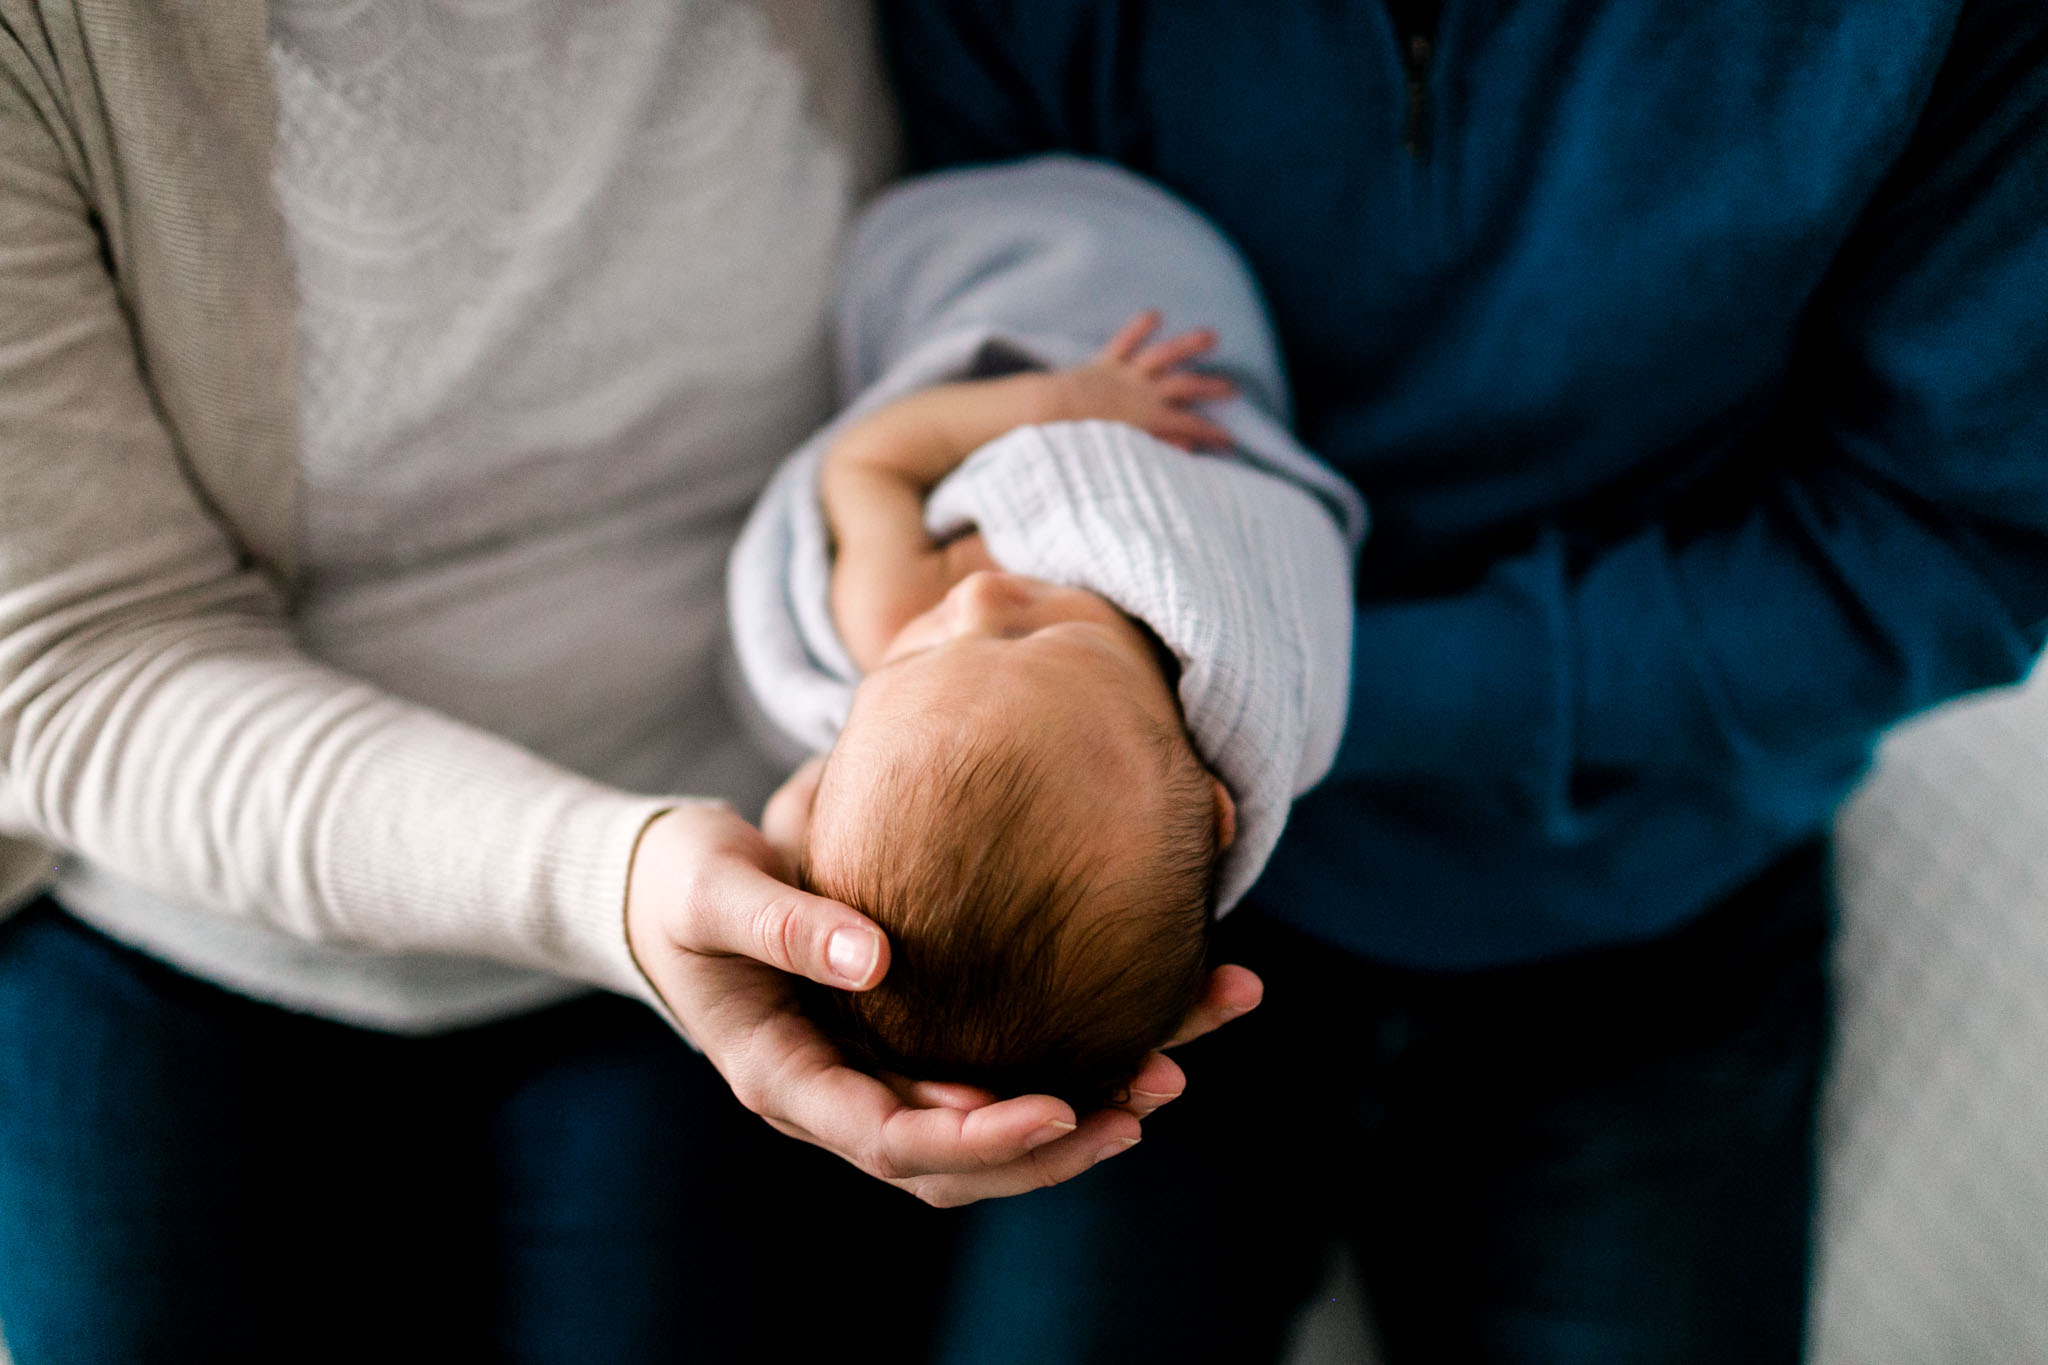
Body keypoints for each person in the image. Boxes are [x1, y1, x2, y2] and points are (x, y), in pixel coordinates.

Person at [0, 5, 1253, 1360]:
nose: (983, 601)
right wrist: (617, 880)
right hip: (183, 896)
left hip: (752, 912)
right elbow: (79, 661)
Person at [880, 1, 2048, 1362]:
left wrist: (1283, 689)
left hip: (1653, 900)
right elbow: (939, 332)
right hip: (1115, 918)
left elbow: (1951, 547)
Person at [727, 154, 1360, 1112]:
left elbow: (870, 459)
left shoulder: (884, 610)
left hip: (978, 294)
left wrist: (1056, 403)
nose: (978, 602)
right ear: (1217, 805)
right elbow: (1292, 560)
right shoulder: (1251, 657)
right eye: (1040, 640)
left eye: (919, 659)